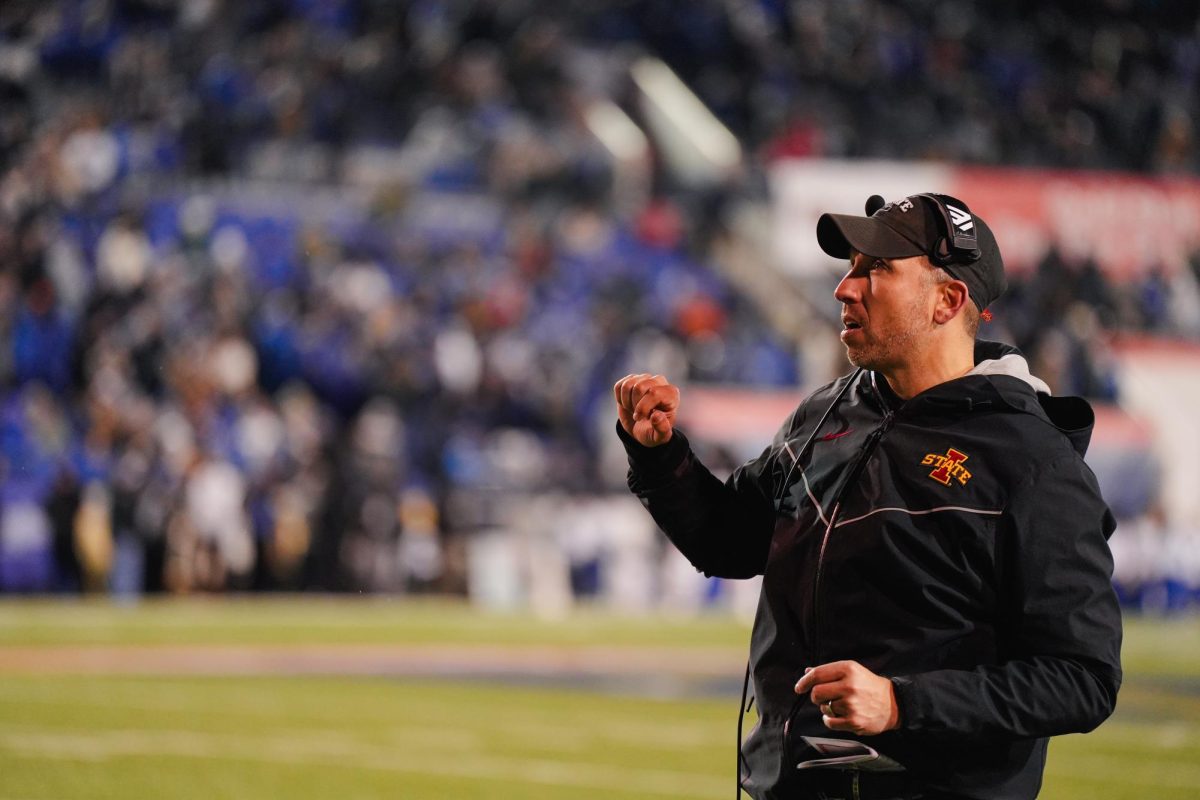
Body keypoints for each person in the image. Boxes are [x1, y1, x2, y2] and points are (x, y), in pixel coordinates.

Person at [613, 193, 1122, 800]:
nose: (844, 289)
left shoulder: (1031, 458)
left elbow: (1081, 677)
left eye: (875, 269)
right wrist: (660, 455)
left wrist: (903, 703)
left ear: (947, 299)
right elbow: (731, 544)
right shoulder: (826, 413)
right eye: (850, 266)